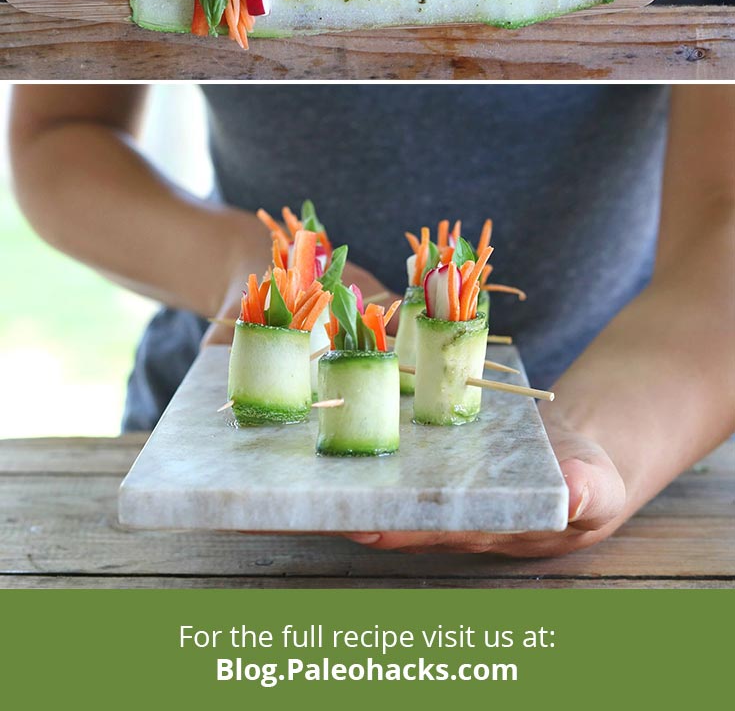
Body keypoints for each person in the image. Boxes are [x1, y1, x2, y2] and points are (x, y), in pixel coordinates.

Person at [9, 85, 735, 562]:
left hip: (631, 424)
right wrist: (250, 269)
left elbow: (721, 211)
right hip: (217, 447)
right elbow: (63, 131)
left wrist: (594, 456)